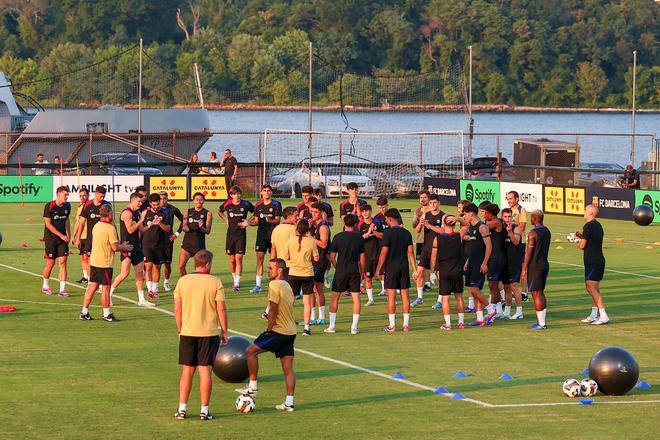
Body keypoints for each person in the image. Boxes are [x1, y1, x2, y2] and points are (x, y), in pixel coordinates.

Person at [235, 258, 297, 412]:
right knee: (288, 368)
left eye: (271, 268)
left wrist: (269, 328)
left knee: (250, 351)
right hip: (291, 332)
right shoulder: (287, 285)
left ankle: (253, 387)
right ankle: (289, 403)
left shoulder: (274, 285)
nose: (268, 271)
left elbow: (273, 309)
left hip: (278, 331)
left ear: (280, 270)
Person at [173, 250, 228, 421]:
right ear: (208, 264)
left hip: (188, 332)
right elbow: (221, 309)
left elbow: (178, 309)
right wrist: (224, 331)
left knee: (187, 372)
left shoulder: (183, 281)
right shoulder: (215, 282)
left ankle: (182, 409)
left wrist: (180, 329)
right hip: (209, 333)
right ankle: (204, 411)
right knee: (205, 372)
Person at [79, 204, 133, 322]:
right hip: (105, 263)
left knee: (92, 286)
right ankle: (106, 314)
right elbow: (115, 247)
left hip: (94, 261)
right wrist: (123, 247)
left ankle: (84, 311)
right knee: (105, 289)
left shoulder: (96, 225)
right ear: (109, 214)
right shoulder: (110, 228)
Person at [375, 208, 417, 332]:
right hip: (404, 267)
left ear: (390, 219)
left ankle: (392, 326)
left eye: (386, 219)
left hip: (391, 268)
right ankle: (405, 325)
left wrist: (378, 269)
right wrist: (415, 269)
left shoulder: (388, 233)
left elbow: (383, 253)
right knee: (405, 296)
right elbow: (410, 252)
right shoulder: (407, 233)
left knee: (391, 297)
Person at [109, 192, 153, 307]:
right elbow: (130, 230)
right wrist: (142, 219)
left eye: (141, 202)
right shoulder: (127, 213)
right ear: (132, 200)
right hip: (127, 246)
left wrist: (151, 224)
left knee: (140, 273)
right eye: (138, 201)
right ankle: (109, 294)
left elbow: (141, 230)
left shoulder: (137, 213)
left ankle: (141, 299)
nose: (140, 203)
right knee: (125, 273)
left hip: (137, 247)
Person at [423, 215, 466, 330]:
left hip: (444, 272)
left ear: (443, 224)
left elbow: (433, 256)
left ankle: (448, 324)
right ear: (454, 224)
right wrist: (458, 219)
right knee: (459, 297)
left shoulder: (438, 239)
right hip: (457, 271)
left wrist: (432, 272)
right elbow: (466, 224)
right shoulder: (459, 236)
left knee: (445, 298)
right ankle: (461, 322)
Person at [325, 214, 366, 334]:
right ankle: (354, 327)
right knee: (356, 299)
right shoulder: (359, 238)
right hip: (354, 271)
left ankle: (332, 326)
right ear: (355, 224)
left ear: (344, 223)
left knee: (335, 298)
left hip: (341, 271)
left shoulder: (338, 237)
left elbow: (332, 257)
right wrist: (362, 272)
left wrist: (338, 267)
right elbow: (362, 258)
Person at [461, 203, 496, 326]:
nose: (464, 216)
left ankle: (491, 310)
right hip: (471, 262)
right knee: (474, 291)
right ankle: (480, 318)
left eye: (465, 214)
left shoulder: (482, 227)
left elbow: (489, 246)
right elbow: (472, 247)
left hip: (480, 263)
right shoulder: (471, 227)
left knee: (474, 289)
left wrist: (485, 263)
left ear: (471, 213)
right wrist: (467, 261)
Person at [575, 204, 610, 325]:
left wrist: (576, 240)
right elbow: (591, 239)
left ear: (591, 213)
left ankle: (603, 315)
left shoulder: (589, 225)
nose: (584, 212)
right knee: (594, 288)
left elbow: (582, 245)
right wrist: (581, 236)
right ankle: (594, 314)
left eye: (586, 210)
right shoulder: (597, 225)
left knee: (590, 287)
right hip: (598, 259)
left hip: (593, 261)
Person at [285, 220, 319, 336]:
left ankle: (286, 323)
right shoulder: (311, 241)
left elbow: (286, 257)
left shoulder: (291, 240)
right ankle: (306, 328)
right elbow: (316, 258)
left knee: (290, 301)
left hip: (293, 272)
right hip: (307, 273)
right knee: (307, 302)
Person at [262, 206, 297, 320]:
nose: (297, 218)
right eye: (296, 215)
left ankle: (267, 312)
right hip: (290, 265)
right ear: (289, 216)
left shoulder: (276, 229)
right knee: (289, 292)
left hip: (279, 265)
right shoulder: (293, 230)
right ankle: (285, 315)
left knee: (277, 291)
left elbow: (273, 248)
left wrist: (272, 265)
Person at [217, 186, 254, 291]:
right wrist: (225, 219)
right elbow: (219, 211)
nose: (237, 196)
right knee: (232, 259)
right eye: (234, 194)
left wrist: (248, 222)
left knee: (239, 258)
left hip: (241, 235)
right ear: (231, 195)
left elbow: (256, 212)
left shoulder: (246, 204)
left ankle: (237, 284)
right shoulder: (227, 204)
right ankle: (234, 279)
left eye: (238, 193)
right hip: (230, 235)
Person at [248, 185, 282, 293]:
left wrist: (269, 220)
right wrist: (248, 223)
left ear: (271, 192)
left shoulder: (276, 204)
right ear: (261, 192)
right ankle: (258, 285)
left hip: (273, 236)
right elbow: (256, 221)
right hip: (261, 235)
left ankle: (273, 283)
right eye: (264, 191)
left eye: (268, 191)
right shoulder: (258, 205)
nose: (266, 192)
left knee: (273, 261)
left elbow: (277, 220)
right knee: (259, 260)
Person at [413, 194, 445, 308]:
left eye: (434, 203)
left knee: (439, 275)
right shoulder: (426, 214)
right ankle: (420, 297)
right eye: (431, 203)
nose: (432, 205)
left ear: (439, 203)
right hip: (426, 249)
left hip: (438, 249)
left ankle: (440, 300)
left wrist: (429, 226)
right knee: (419, 272)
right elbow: (417, 230)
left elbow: (443, 231)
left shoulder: (443, 216)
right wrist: (421, 224)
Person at [521, 210, 551, 330]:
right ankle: (542, 321)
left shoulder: (533, 233)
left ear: (534, 218)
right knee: (541, 292)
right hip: (544, 264)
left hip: (535, 266)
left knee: (536, 293)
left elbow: (529, 253)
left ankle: (541, 324)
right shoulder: (547, 231)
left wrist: (523, 269)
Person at [140, 193, 171, 299]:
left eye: (157, 204)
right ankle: (150, 290)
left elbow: (168, 229)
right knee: (148, 267)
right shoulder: (145, 213)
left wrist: (160, 224)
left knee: (157, 267)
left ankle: (154, 289)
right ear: (150, 204)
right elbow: (141, 229)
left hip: (160, 244)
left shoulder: (165, 213)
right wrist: (151, 224)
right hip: (147, 244)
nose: (156, 207)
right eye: (154, 205)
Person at [42, 186, 71, 296]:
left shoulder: (67, 206)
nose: (67, 197)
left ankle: (62, 290)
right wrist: (60, 235)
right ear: (58, 194)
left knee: (63, 263)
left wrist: (69, 233)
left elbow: (67, 219)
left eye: (67, 195)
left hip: (63, 239)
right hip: (51, 239)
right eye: (65, 195)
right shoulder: (49, 206)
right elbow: (48, 224)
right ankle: (45, 285)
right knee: (51, 263)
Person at [481, 203, 507, 318]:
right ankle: (498, 310)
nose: (484, 215)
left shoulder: (496, 222)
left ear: (491, 214)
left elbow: (482, 227)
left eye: (485, 213)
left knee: (493, 285)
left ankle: (494, 311)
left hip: (497, 257)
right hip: (494, 257)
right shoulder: (493, 222)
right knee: (492, 285)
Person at [179, 192, 213, 276]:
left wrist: (201, 227)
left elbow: (208, 231)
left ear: (203, 201)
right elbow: (184, 226)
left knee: (202, 270)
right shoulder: (187, 211)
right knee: (181, 266)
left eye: (201, 200)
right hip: (187, 245)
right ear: (193, 201)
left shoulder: (208, 213)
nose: (199, 201)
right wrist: (185, 229)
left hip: (199, 246)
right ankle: (185, 282)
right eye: (197, 200)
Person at [74, 186, 112, 261]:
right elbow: (81, 222)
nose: (102, 198)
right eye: (101, 196)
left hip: (103, 238)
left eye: (104, 196)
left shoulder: (107, 205)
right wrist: (78, 238)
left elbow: (111, 222)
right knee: (87, 259)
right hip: (90, 238)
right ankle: (88, 273)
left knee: (102, 259)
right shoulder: (87, 205)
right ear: (96, 194)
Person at [501, 208, 525, 319]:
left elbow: (515, 241)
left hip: (514, 261)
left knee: (514, 286)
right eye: (505, 217)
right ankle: (507, 311)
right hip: (505, 261)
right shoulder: (501, 228)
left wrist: (510, 231)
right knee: (506, 287)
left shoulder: (516, 229)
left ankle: (519, 311)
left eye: (509, 216)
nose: (507, 219)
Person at [358, 204, 384, 306]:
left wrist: (374, 232)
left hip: (378, 253)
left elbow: (383, 236)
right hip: (366, 255)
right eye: (363, 211)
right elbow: (358, 240)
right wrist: (368, 233)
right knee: (368, 278)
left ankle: (386, 292)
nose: (365, 213)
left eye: (367, 211)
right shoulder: (360, 225)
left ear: (370, 211)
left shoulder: (377, 222)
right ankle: (371, 299)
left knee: (382, 275)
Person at [309, 202, 330, 325]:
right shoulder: (316, 225)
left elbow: (323, 244)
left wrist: (310, 237)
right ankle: (316, 317)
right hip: (314, 260)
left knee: (315, 289)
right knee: (314, 289)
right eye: (312, 211)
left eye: (316, 212)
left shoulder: (323, 227)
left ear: (322, 213)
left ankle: (319, 317)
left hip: (320, 261)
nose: (313, 214)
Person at [505, 191, 529, 302]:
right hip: (511, 241)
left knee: (522, 267)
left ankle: (524, 293)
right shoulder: (508, 211)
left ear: (517, 199)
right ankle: (513, 292)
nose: (509, 200)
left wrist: (512, 229)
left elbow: (522, 226)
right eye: (507, 198)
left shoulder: (521, 210)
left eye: (510, 198)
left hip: (520, 242)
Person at [159, 192, 184, 292]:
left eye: (165, 198)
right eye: (160, 199)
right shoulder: (154, 209)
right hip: (155, 241)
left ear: (167, 199)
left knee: (167, 264)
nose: (163, 201)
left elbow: (184, 220)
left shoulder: (173, 209)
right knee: (156, 265)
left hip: (168, 240)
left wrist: (177, 234)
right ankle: (154, 286)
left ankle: (166, 282)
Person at [411, 190, 432, 297]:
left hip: (431, 240)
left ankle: (428, 282)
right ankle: (426, 283)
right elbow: (414, 225)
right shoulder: (417, 211)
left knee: (431, 263)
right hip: (420, 240)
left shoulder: (432, 209)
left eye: (424, 197)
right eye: (421, 198)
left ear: (428, 198)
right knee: (421, 263)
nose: (422, 199)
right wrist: (419, 218)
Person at [72, 188, 90, 283]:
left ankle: (91, 278)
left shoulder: (90, 206)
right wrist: (74, 236)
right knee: (82, 257)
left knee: (88, 258)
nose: (82, 197)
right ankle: (85, 277)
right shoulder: (79, 207)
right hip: (81, 236)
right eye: (80, 196)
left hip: (89, 236)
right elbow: (77, 223)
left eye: (84, 195)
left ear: (88, 195)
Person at [373, 196, 389, 296]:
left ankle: (394, 287)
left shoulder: (393, 214)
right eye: (380, 207)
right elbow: (376, 233)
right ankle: (384, 288)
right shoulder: (377, 217)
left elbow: (400, 227)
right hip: (381, 245)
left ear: (387, 205)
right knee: (383, 266)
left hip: (393, 245)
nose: (382, 209)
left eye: (383, 207)